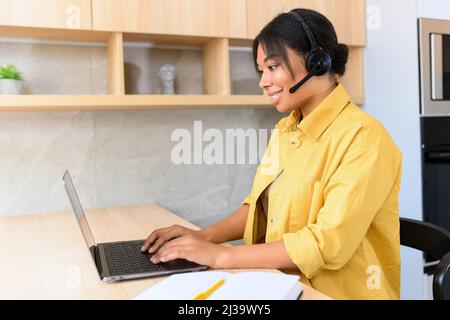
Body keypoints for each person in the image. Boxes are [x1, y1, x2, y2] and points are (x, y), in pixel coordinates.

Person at [141, 8, 402, 300]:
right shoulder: (286, 130)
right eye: (261, 70)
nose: (263, 81)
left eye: (273, 66)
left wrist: (221, 257)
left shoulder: (364, 138)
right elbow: (257, 207)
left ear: (317, 62)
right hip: (281, 285)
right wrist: (201, 237)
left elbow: (327, 245)